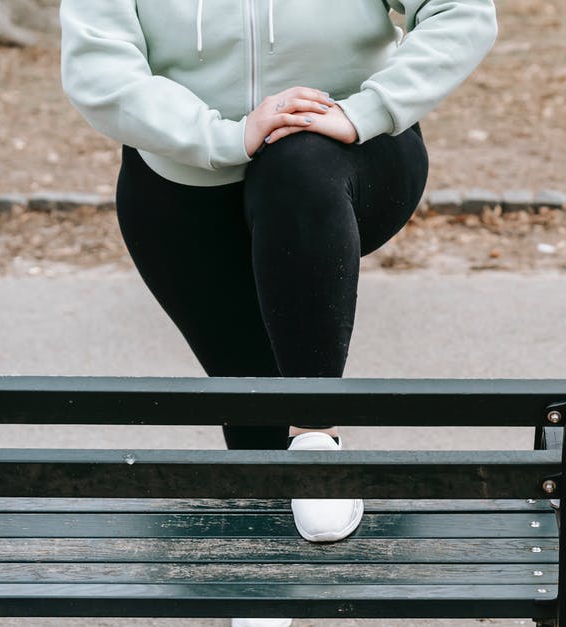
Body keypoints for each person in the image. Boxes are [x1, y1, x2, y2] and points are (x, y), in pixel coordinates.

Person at [61, 1, 496, 624]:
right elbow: (100, 67)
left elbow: (460, 9)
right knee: (250, 388)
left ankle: (317, 437)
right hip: (181, 177)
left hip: (346, 152)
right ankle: (266, 574)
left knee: (296, 162)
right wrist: (226, 135)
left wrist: (365, 110)